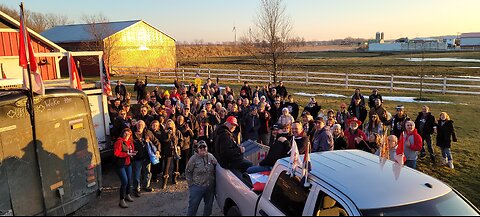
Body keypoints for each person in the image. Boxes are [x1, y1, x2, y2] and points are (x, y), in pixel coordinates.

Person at [186, 141, 217, 217]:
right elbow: (188, 172)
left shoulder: (210, 156)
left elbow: (216, 166)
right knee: (192, 208)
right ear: (198, 149)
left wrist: (216, 163)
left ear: (207, 148)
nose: (203, 149)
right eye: (200, 147)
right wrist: (191, 185)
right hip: (197, 187)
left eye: (204, 147)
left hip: (209, 187)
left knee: (208, 207)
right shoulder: (193, 159)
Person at [131, 120, 161, 196]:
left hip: (147, 157)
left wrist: (158, 150)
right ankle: (136, 189)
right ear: (136, 125)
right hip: (137, 158)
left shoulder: (148, 133)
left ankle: (146, 186)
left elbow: (157, 142)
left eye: (141, 125)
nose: (140, 126)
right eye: (138, 125)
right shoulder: (132, 133)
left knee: (147, 172)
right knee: (136, 175)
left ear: (144, 126)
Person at [114, 128, 136, 208]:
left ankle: (127, 195)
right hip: (120, 165)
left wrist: (132, 153)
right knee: (124, 181)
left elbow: (131, 150)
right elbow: (116, 153)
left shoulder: (130, 142)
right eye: (125, 134)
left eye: (128, 134)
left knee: (129, 180)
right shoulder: (119, 141)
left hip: (128, 163)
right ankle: (121, 200)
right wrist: (127, 154)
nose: (127, 135)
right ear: (122, 134)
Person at [159, 119, 184, 189]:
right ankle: (164, 182)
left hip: (176, 150)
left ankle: (174, 178)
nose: (170, 126)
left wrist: (179, 145)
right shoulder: (164, 132)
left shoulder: (177, 132)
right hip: (168, 151)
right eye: (168, 124)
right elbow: (163, 140)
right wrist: (168, 134)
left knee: (176, 165)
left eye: (171, 124)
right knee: (166, 166)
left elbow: (181, 140)